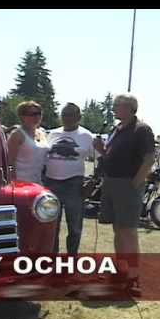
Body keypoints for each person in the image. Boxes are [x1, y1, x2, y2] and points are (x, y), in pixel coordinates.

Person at [94, 93, 155, 296]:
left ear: (130, 107)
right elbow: (112, 155)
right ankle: (121, 272)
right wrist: (101, 150)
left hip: (127, 185)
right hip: (111, 183)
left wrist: (135, 184)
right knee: (118, 230)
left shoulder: (141, 129)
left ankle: (134, 279)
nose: (113, 109)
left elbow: (148, 159)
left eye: (117, 105)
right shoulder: (117, 129)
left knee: (128, 231)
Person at [42, 103, 94, 254]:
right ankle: (53, 260)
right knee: (51, 225)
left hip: (74, 184)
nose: (67, 118)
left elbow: (100, 159)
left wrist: (93, 181)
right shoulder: (52, 134)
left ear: (79, 117)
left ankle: (71, 259)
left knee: (75, 227)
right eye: (64, 114)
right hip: (50, 183)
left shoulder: (86, 136)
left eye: (71, 115)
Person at [7, 101, 48, 184]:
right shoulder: (17, 134)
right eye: (32, 114)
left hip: (38, 182)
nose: (37, 116)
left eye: (39, 113)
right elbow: (9, 162)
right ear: (22, 116)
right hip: (20, 182)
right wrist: (13, 183)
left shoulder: (42, 133)